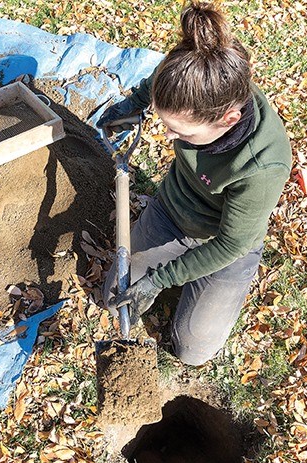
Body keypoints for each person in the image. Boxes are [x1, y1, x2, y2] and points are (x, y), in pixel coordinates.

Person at [97, 1, 292, 366]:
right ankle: (178, 275)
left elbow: (232, 243)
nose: (168, 135)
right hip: (173, 211)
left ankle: (195, 289)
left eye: (180, 131)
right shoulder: (192, 75)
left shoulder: (262, 165)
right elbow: (159, 80)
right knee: (113, 300)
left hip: (223, 243)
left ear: (228, 118)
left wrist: (161, 280)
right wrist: (133, 105)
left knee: (192, 350)